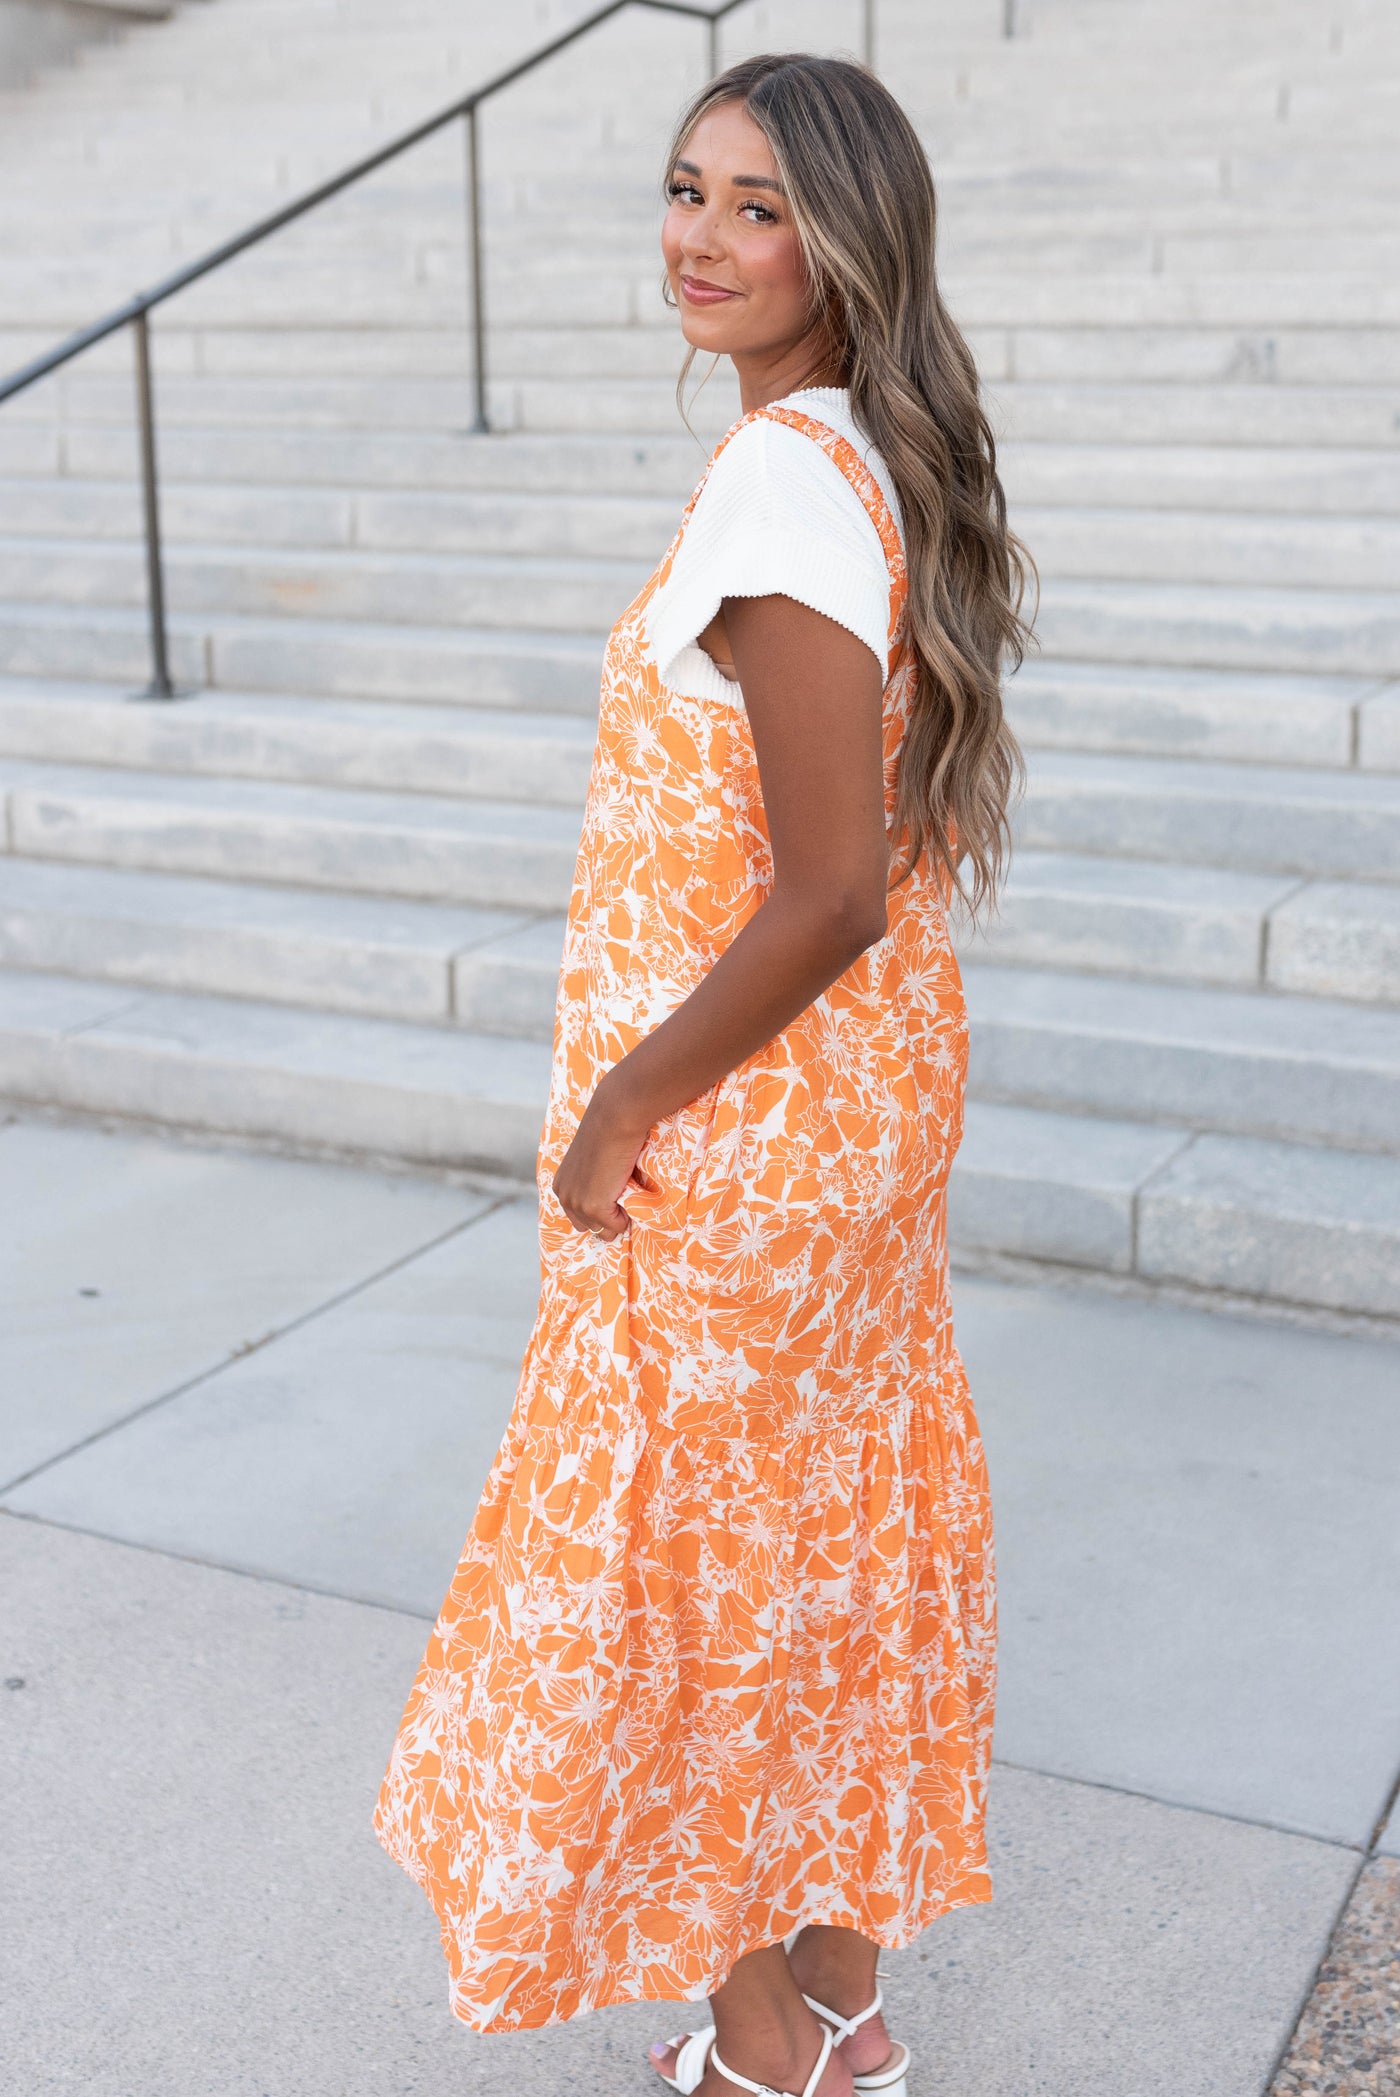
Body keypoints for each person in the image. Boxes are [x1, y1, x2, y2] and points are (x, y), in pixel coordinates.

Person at [375, 49, 1032, 2097]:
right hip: (852, 1120)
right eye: (685, 189)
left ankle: (772, 2052)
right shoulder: (858, 455)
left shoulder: (780, 483)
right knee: (815, 1549)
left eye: (757, 205)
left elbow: (828, 885)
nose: (702, 238)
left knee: (699, 1589)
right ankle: (842, 1998)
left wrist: (623, 1099)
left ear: (847, 237)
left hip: (748, 1139)